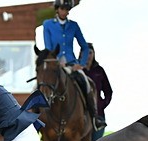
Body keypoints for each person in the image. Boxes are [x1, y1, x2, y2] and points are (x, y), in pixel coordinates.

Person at [42, 0, 104, 130]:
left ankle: (94, 117)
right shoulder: (47, 25)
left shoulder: (74, 26)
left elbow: (85, 47)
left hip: (71, 64)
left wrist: (81, 64)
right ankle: (37, 118)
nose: (65, 11)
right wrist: (56, 61)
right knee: (41, 85)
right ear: (57, 9)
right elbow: (48, 48)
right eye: (63, 8)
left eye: (67, 9)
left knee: (87, 83)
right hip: (55, 64)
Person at [83, 43, 113, 141]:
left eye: (90, 52)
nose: (88, 55)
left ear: (94, 54)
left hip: (97, 113)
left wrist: (102, 104)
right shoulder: (78, 71)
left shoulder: (99, 71)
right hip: (81, 112)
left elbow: (108, 91)